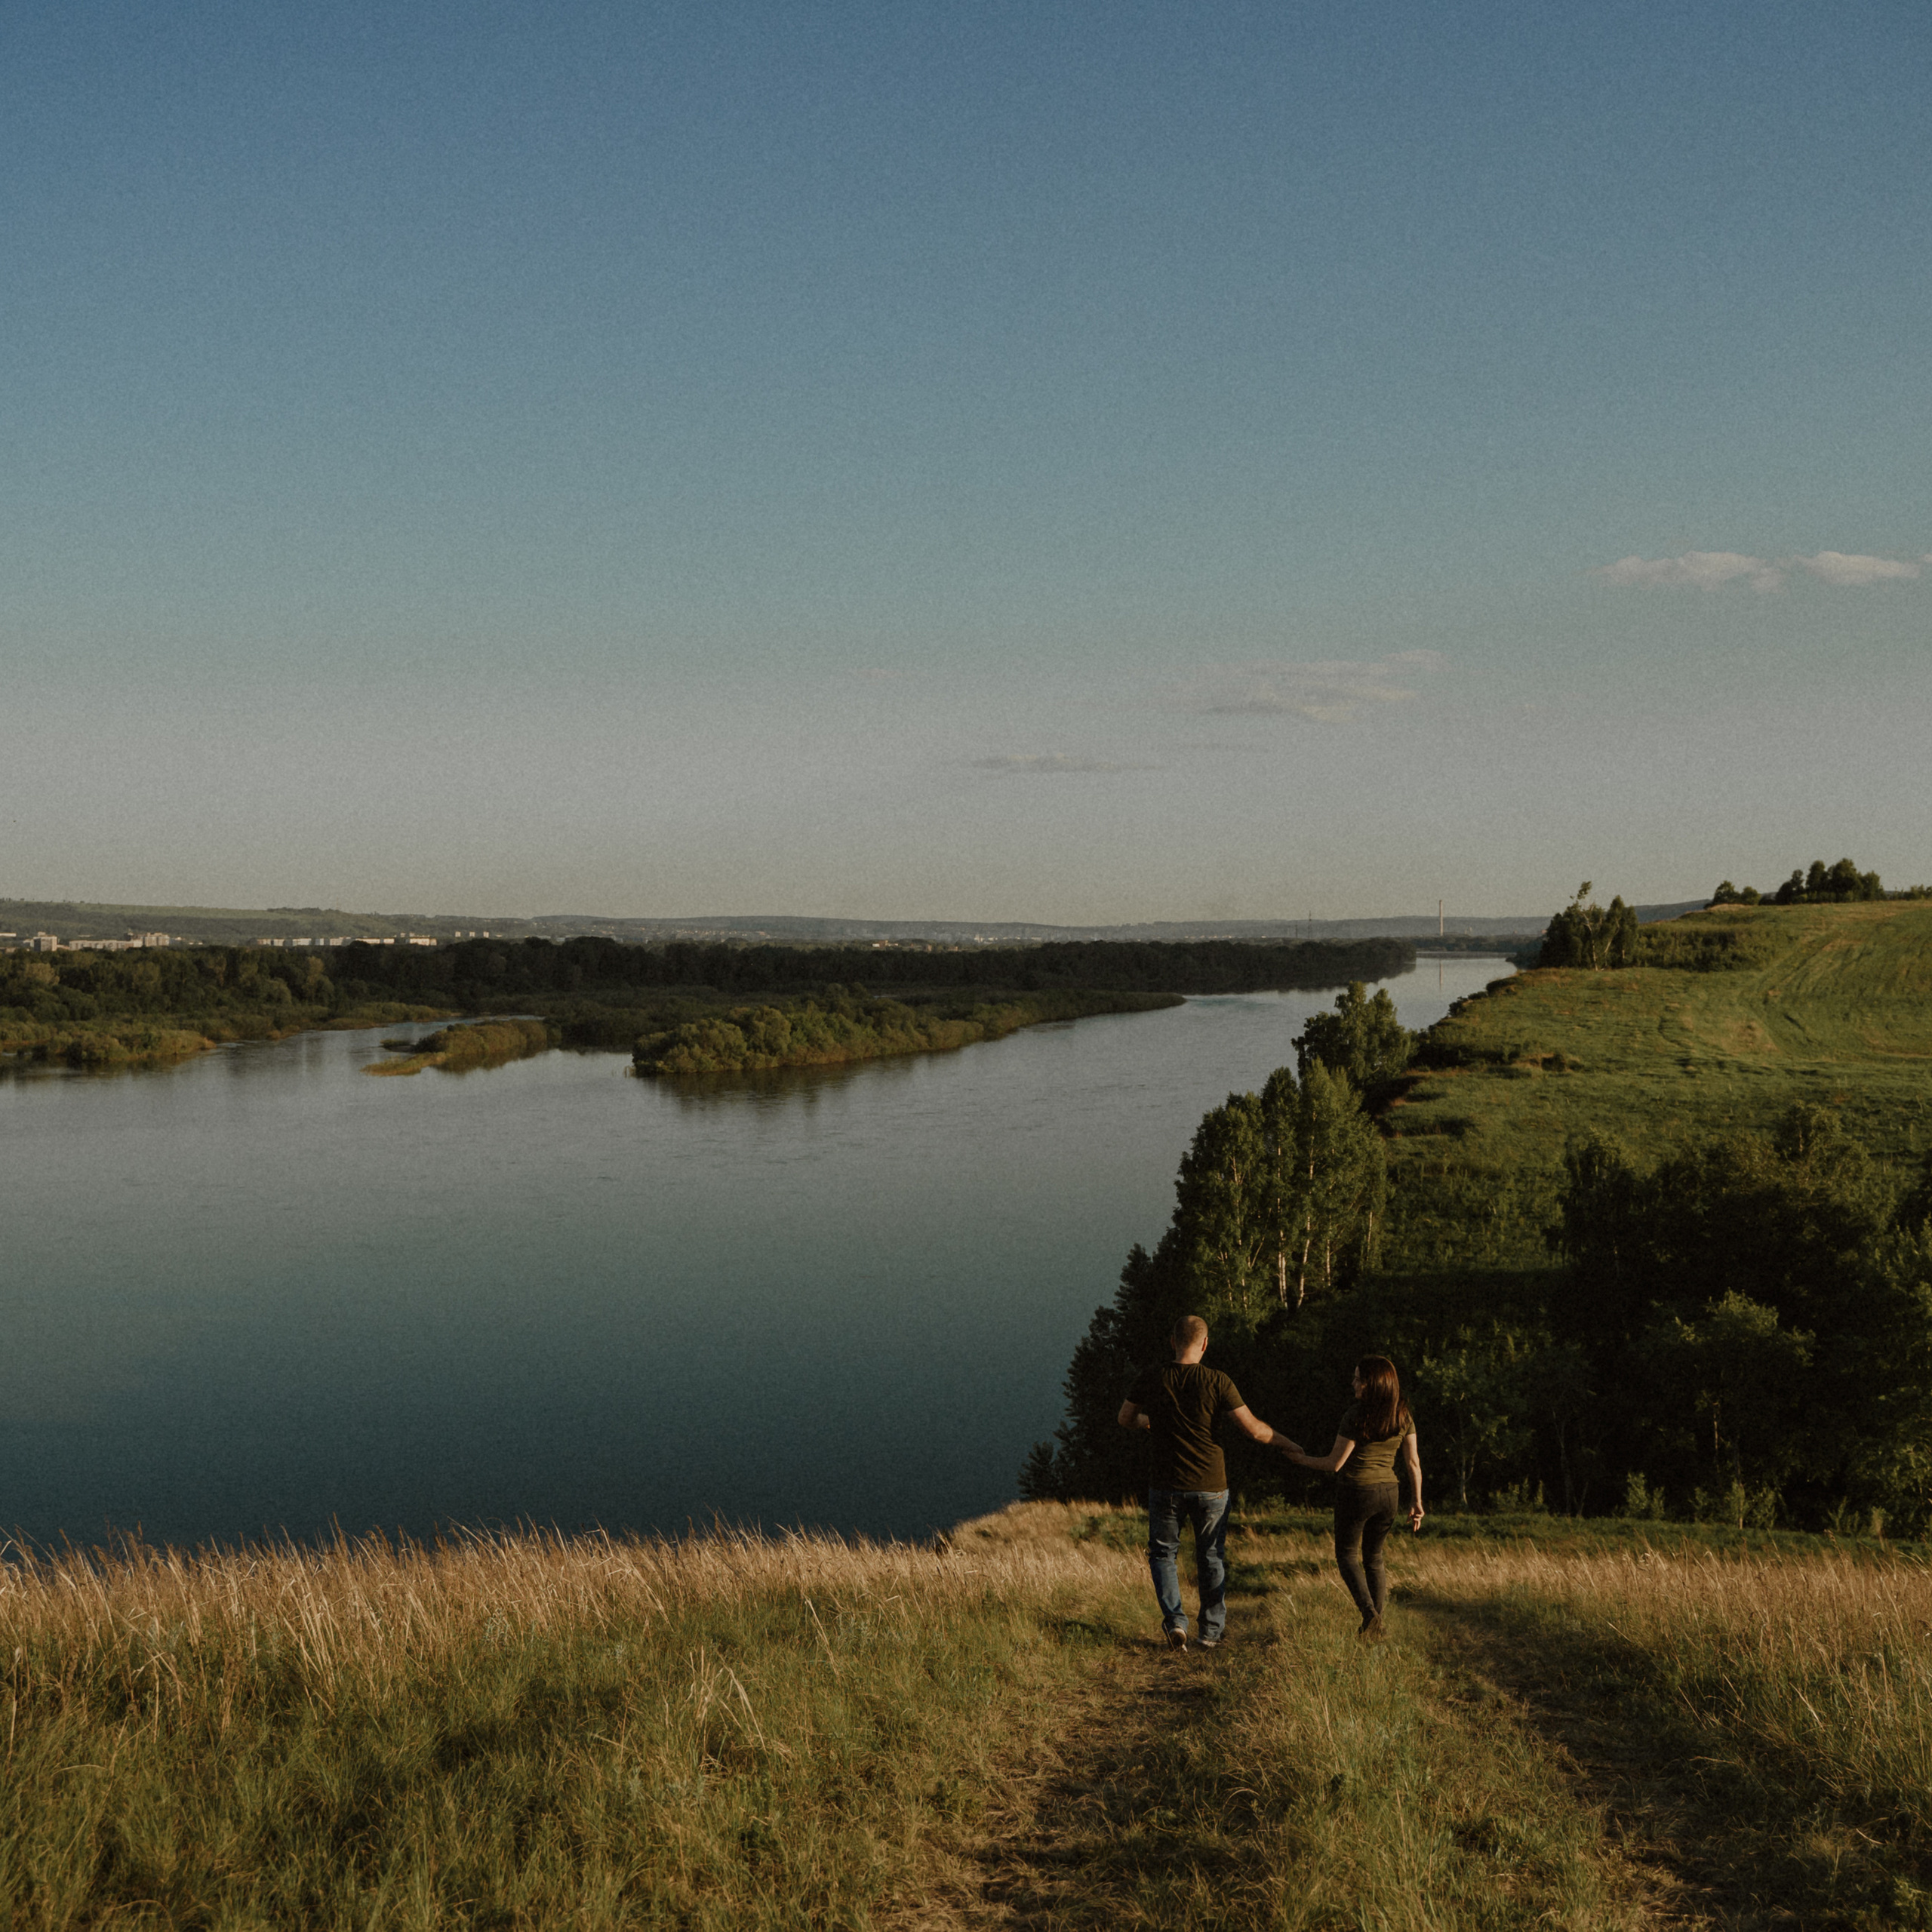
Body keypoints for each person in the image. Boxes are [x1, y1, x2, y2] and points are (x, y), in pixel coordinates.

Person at [1118, 1314, 1291, 1652]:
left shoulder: (1153, 1377)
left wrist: (1148, 1422)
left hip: (1166, 1484)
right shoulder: (1218, 1381)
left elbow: (1125, 1418)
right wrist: (1289, 1445)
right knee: (1211, 1555)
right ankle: (1210, 1633)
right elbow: (1254, 1429)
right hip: (1212, 1485)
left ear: (1172, 1342)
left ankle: (1175, 1623)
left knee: (1164, 1554)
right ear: (1205, 1344)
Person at [1280, 1355, 1423, 1641]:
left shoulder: (1356, 1415)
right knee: (1374, 1557)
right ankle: (1375, 1626)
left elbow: (1335, 1464)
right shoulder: (1403, 1414)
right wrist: (1417, 1501)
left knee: (1346, 1555)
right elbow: (1413, 1464)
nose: (1353, 1383)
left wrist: (1301, 1460)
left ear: (1373, 1385)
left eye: (1359, 1378)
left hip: (1357, 1492)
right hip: (1390, 1494)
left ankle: (1370, 1617)